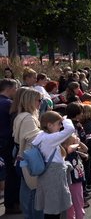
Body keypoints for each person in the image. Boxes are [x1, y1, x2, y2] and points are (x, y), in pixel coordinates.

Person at [32, 112, 75, 218]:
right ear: (49, 125)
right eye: (58, 124)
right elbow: (70, 130)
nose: (61, 126)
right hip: (53, 174)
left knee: (51, 206)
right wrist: (65, 119)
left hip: (47, 174)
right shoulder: (49, 139)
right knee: (54, 208)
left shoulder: (42, 135)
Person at [12, 88, 44, 219]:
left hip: (22, 158)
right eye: (39, 100)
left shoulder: (22, 116)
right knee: (34, 193)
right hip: (30, 160)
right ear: (31, 101)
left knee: (27, 191)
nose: (41, 103)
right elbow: (34, 139)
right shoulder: (28, 118)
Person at [0, 79, 21, 214]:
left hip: (2, 142)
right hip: (8, 142)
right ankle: (12, 204)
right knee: (12, 174)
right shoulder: (9, 104)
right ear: (9, 88)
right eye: (15, 88)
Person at [63, 132, 88, 219]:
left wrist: (79, 142)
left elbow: (85, 149)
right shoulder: (66, 152)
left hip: (77, 180)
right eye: (73, 143)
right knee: (75, 205)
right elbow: (69, 148)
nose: (76, 145)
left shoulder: (74, 150)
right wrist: (76, 143)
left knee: (78, 203)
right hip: (73, 181)